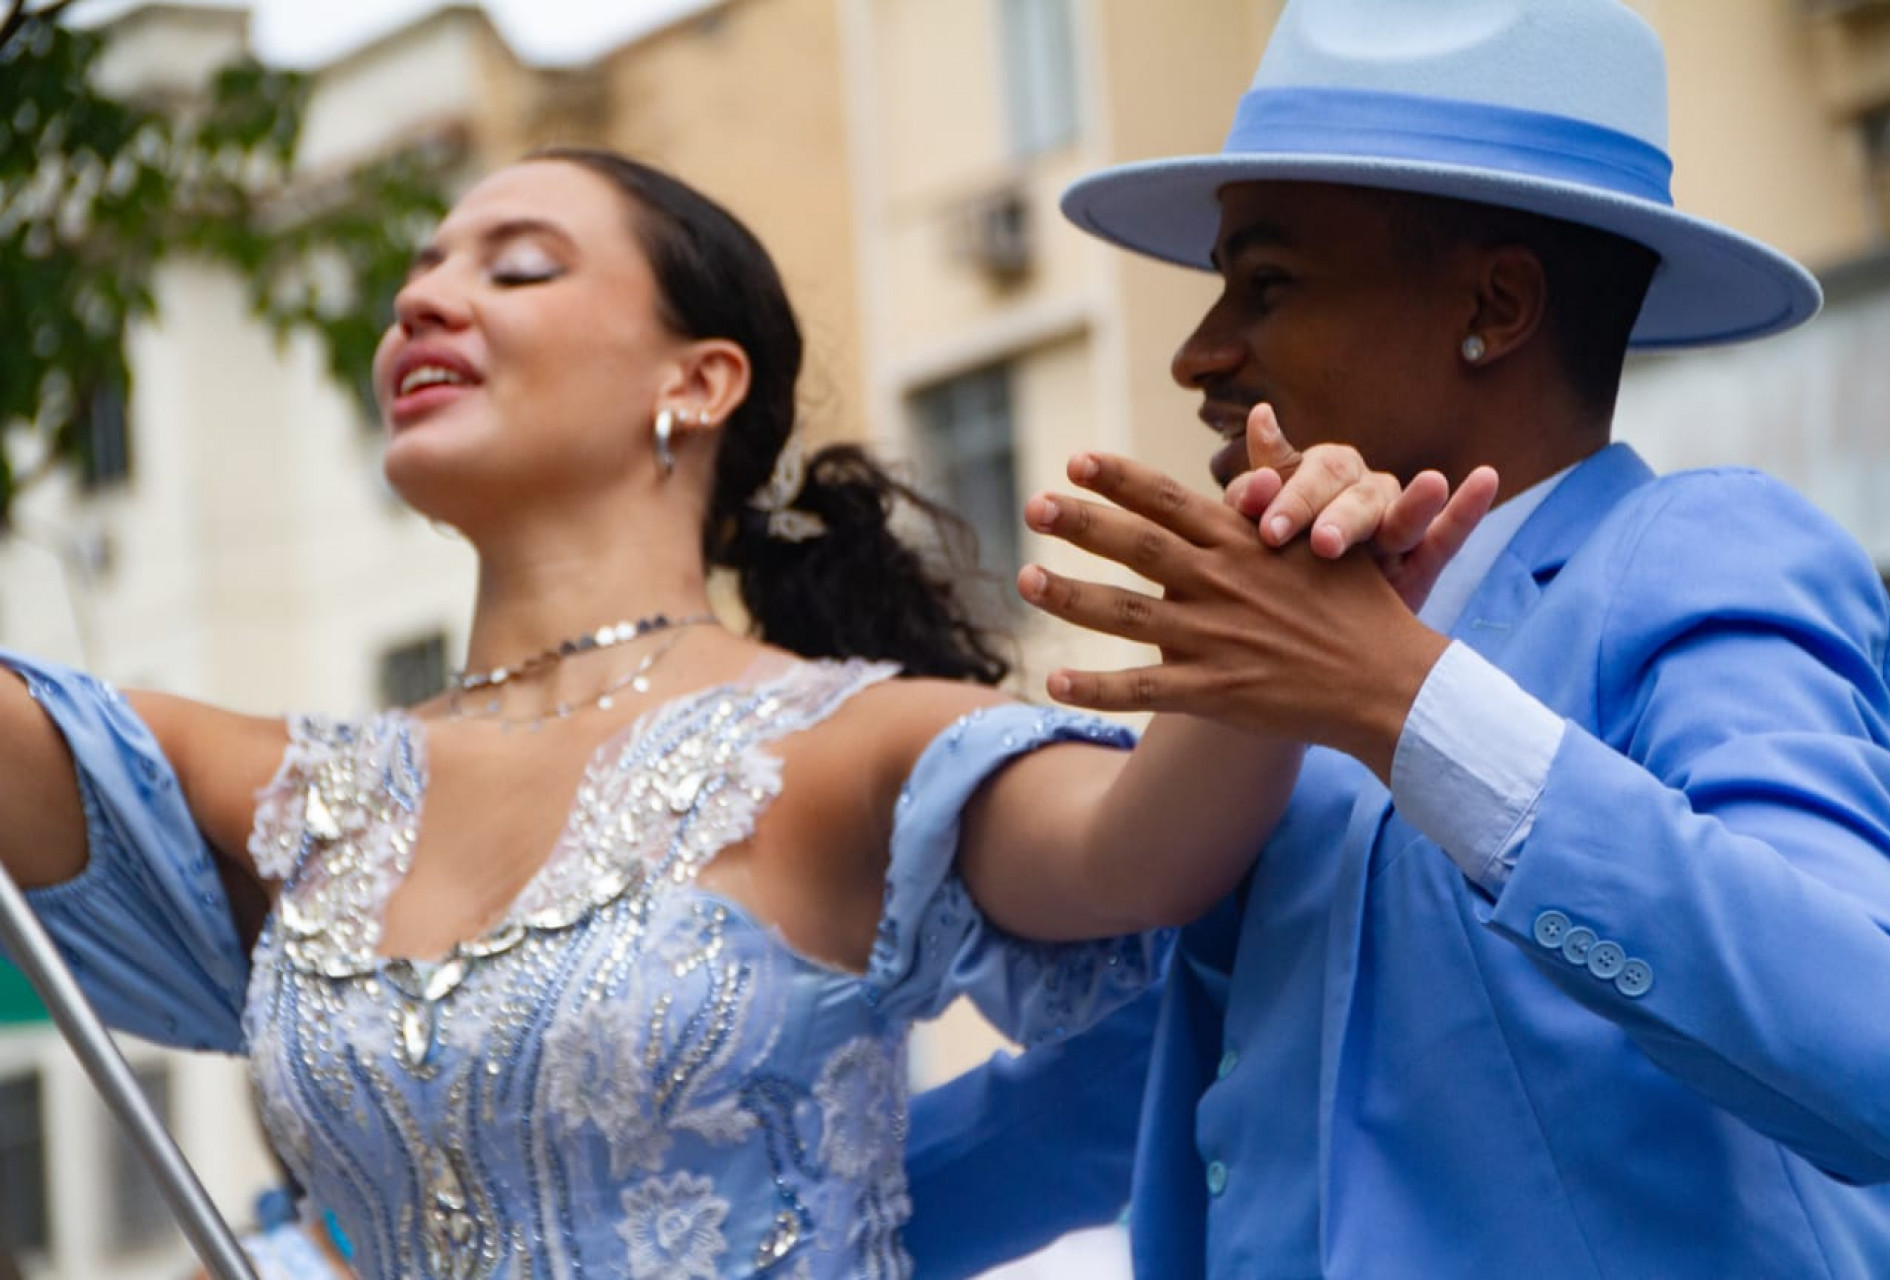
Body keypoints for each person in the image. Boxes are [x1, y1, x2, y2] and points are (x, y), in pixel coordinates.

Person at [0, 149, 1481, 1277]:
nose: (422, 302)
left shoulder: (846, 743)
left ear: (700, 381)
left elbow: (1141, 852)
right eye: (419, 273)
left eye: (517, 269)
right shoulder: (283, 782)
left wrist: (1294, 599)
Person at [905, 2, 1890, 1277]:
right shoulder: (1294, 713)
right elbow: (1091, 1103)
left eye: (1267, 283)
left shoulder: (1702, 549)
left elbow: (1879, 1048)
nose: (1198, 354)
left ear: (1497, 303)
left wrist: (1404, 699)